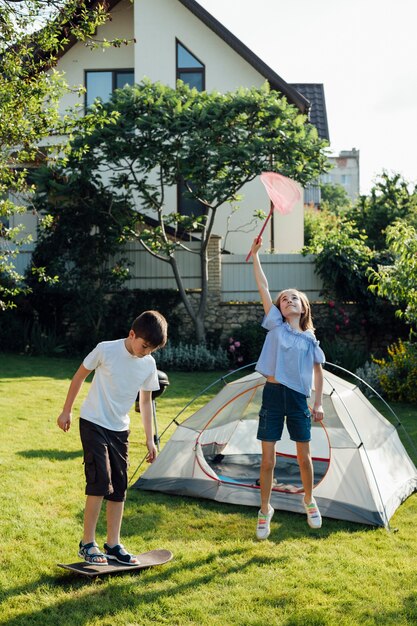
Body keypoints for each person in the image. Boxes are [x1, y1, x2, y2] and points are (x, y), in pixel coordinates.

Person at [57, 310, 168, 565]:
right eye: (144, 346)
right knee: (100, 480)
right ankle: (87, 543)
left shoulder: (148, 363)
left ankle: (113, 543)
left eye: (152, 349)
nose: (146, 352)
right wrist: (66, 411)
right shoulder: (106, 350)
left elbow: (146, 400)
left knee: (119, 486)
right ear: (132, 334)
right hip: (93, 422)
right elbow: (79, 376)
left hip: (120, 429)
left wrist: (150, 439)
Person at [250, 237, 325, 540]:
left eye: (294, 298)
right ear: (279, 310)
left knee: (303, 457)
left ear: (304, 307)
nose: (288, 300)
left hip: (297, 399)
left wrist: (318, 404)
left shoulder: (310, 340)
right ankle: (264, 509)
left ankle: (308, 500)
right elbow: (264, 288)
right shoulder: (275, 326)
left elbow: (319, 374)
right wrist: (255, 255)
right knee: (268, 460)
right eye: (284, 299)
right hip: (272, 395)